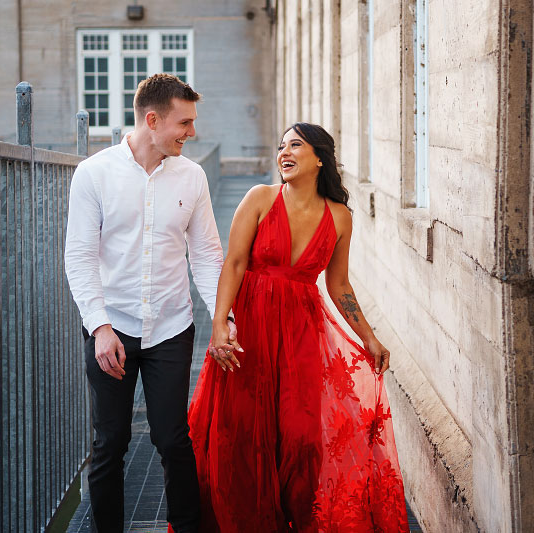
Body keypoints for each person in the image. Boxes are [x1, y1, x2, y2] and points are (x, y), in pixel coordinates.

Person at [189, 123, 410, 532]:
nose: (284, 153)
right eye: (281, 146)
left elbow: (338, 283)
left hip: (302, 335)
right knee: (242, 436)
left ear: (319, 158)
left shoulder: (340, 217)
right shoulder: (259, 198)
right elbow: (234, 263)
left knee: (301, 437)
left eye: (295, 145)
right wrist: (220, 324)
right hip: (251, 329)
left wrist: (370, 337)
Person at [65, 73, 235, 533]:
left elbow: (205, 256)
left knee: (173, 439)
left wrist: (223, 319)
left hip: (171, 326)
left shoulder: (193, 176)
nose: (192, 133)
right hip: (110, 327)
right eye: (185, 123)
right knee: (110, 444)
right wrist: (99, 328)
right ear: (153, 119)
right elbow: (78, 257)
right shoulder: (94, 174)